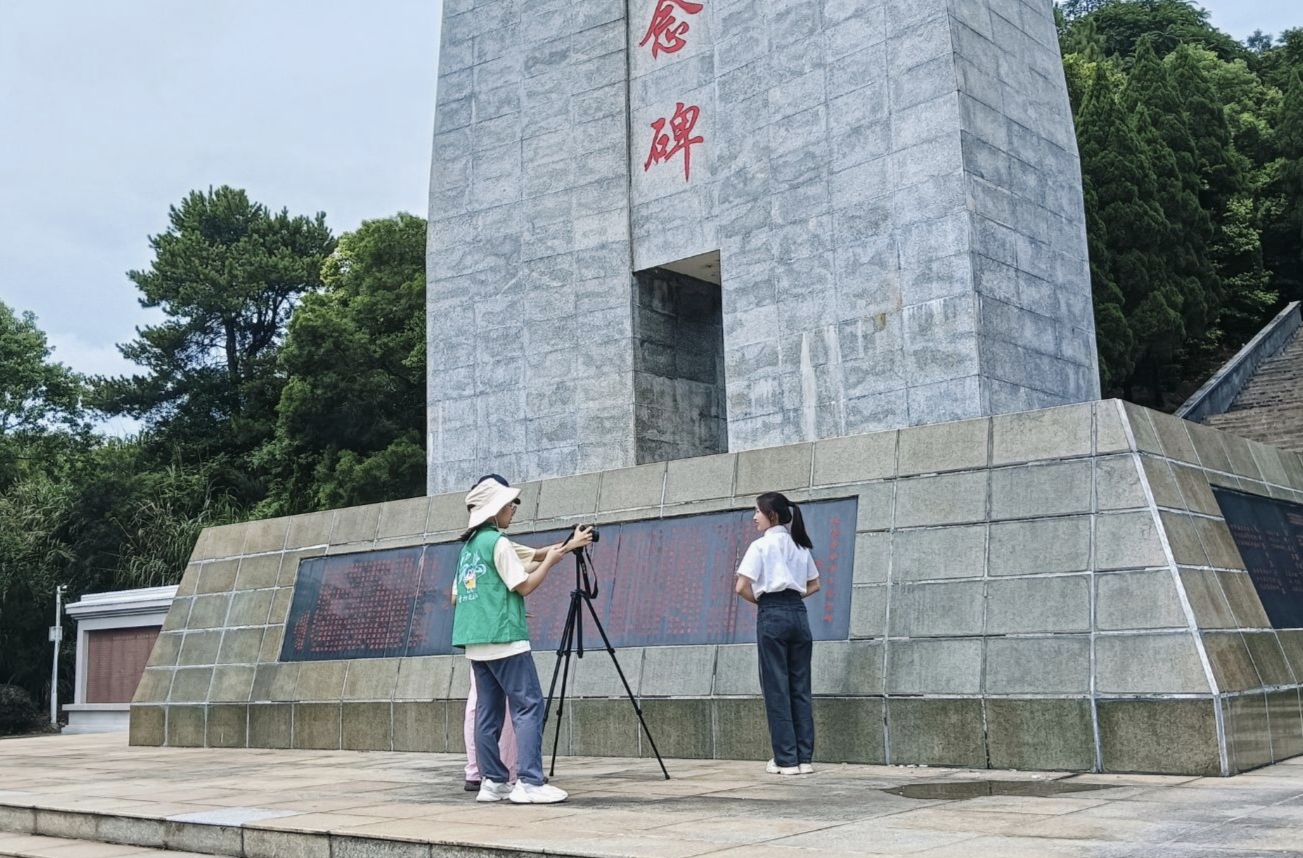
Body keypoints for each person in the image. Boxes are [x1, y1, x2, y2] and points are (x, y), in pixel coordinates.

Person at [453, 475, 591, 803]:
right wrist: (554, 563)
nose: (512, 510)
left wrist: (564, 547)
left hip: (476, 641)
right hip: (505, 637)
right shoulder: (498, 543)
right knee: (528, 705)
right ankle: (530, 782)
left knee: (488, 712)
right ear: (493, 509)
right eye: (508, 504)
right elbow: (524, 585)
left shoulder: (469, 547)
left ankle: (493, 781)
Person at [734, 491, 820, 776]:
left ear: (771, 515)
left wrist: (765, 602)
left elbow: (741, 587)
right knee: (800, 687)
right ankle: (804, 758)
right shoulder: (800, 545)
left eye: (757, 511)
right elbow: (815, 584)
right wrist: (791, 601)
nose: (754, 517)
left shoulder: (760, 546)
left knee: (776, 687)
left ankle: (786, 760)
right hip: (798, 613)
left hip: (772, 613)